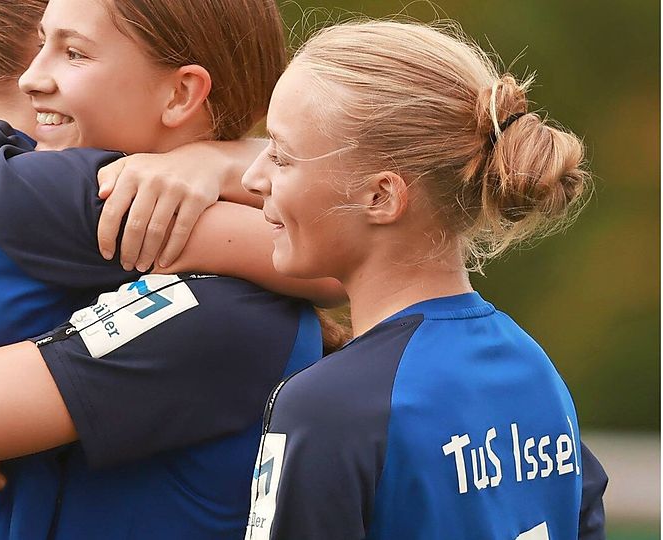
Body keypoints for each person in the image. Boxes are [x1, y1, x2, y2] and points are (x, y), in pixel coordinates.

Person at [0, 0, 345, 538]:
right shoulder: (51, 191)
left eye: (73, 52)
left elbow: (330, 260)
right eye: (41, 45)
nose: (37, 80)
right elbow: (331, 262)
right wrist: (225, 161)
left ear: (181, 91)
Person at [239, 20, 607, 539]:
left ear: (382, 198)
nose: (251, 178)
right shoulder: (537, 374)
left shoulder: (327, 409)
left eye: (281, 155)